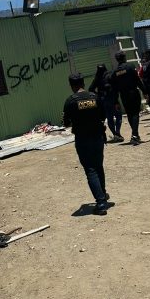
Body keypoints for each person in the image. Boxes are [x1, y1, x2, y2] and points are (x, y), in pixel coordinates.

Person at [62, 73, 109, 215]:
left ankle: (100, 202)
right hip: (98, 137)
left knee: (90, 169)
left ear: (72, 85)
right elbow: (103, 116)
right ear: (83, 82)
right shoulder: (94, 97)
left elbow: (66, 123)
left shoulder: (70, 101)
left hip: (83, 139)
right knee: (98, 166)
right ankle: (103, 194)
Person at [110, 51, 145, 144]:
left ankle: (135, 135)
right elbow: (137, 80)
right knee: (135, 114)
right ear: (124, 57)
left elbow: (114, 89)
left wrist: (116, 102)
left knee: (130, 114)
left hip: (123, 95)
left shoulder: (115, 72)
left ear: (117, 59)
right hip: (133, 93)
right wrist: (145, 91)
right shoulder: (130, 66)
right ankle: (134, 135)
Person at [89, 64, 124, 142]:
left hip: (104, 101)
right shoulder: (110, 75)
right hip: (113, 99)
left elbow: (91, 89)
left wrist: (99, 95)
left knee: (109, 117)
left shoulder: (97, 78)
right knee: (118, 116)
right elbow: (116, 87)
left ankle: (115, 134)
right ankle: (118, 133)